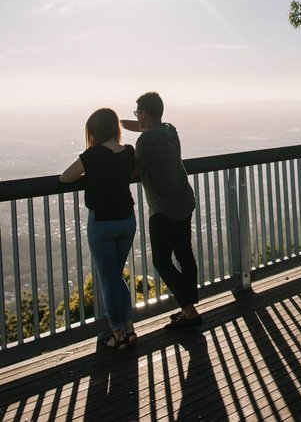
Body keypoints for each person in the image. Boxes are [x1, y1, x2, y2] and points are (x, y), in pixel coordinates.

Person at [122, 91, 202, 330]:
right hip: (183, 201)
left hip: (163, 208)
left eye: (138, 114)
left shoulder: (146, 141)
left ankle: (189, 311)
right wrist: (125, 124)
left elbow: (134, 170)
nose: (137, 118)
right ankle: (190, 310)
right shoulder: (170, 130)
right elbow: (149, 129)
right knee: (184, 254)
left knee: (161, 260)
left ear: (144, 113)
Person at [60, 108, 137, 350]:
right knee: (116, 275)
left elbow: (66, 177)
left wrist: (91, 176)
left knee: (108, 279)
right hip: (127, 220)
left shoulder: (91, 156)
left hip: (102, 224)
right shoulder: (128, 152)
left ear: (95, 131)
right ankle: (129, 327)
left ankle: (117, 332)